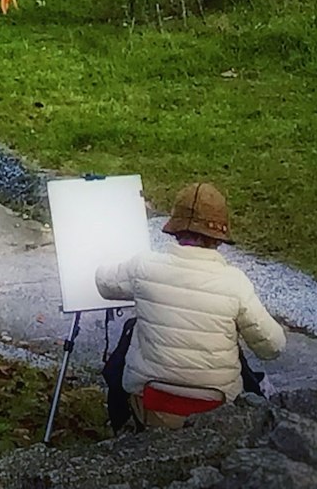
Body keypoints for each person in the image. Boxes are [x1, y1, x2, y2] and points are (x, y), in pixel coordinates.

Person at [95, 180, 285, 431]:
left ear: (174, 229)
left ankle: (122, 425)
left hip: (153, 406)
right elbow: (273, 347)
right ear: (219, 238)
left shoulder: (144, 267)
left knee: (133, 327)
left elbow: (103, 282)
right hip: (217, 409)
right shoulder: (235, 283)